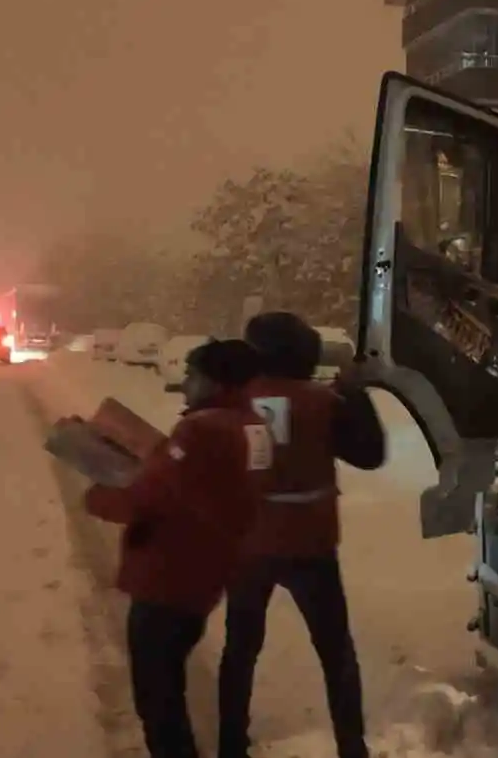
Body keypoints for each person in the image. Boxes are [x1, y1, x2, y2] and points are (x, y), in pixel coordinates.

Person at [84, 339, 274, 758]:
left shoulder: (200, 429)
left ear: (214, 380)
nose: (185, 383)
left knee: (159, 702)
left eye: (192, 374)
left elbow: (150, 496)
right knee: (167, 689)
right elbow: (205, 485)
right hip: (206, 576)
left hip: (169, 579)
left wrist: (100, 498)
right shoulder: (255, 427)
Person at [217, 312, 386, 758]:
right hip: (311, 545)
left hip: (250, 543)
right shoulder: (324, 402)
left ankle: (230, 744)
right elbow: (371, 455)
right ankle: (352, 747)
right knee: (336, 654)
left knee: (240, 649)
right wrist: (354, 391)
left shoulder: (236, 401)